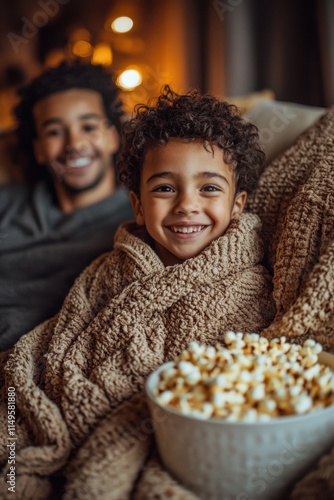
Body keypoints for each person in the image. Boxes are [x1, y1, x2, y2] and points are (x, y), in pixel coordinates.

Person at [0, 86, 275, 499]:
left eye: (210, 189)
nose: (186, 204)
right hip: (62, 419)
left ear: (238, 204)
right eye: (164, 188)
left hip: (151, 431)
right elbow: (55, 342)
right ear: (139, 206)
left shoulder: (248, 285)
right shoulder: (108, 270)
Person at [0, 60, 134, 351]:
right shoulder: (6, 203)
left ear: (113, 136)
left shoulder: (140, 216)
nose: (74, 143)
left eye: (88, 126)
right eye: (54, 132)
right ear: (37, 149)